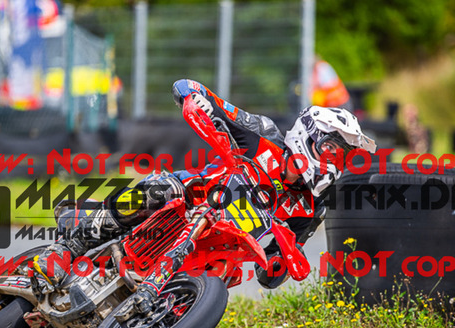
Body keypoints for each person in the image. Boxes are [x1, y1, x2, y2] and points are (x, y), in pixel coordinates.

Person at [32, 79, 376, 315]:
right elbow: (194, 91)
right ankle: (68, 247)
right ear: (310, 136)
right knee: (161, 190)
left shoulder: (312, 206)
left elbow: (275, 268)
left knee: (225, 277)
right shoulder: (264, 134)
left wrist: (278, 266)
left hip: (217, 246)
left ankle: (162, 324)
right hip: (189, 201)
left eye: (342, 157)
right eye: (332, 150)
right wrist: (196, 99)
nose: (335, 162)